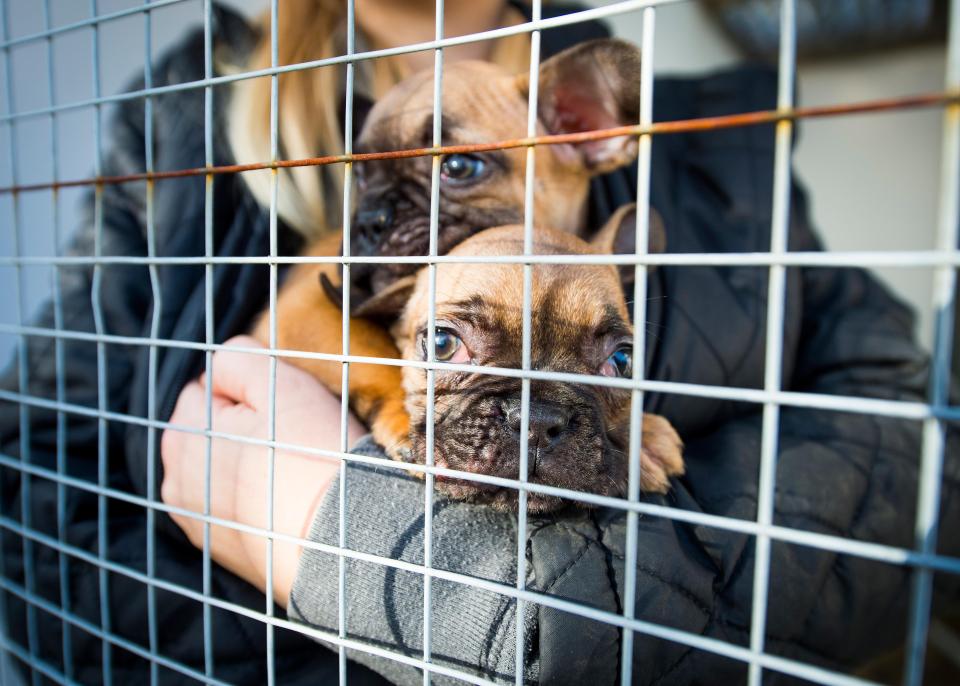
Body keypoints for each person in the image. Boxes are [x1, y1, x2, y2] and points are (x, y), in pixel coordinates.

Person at [1, 1, 957, 684]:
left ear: (590, 129)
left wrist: (359, 554)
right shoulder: (181, 124)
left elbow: (911, 442)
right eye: (366, 189)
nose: (387, 221)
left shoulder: (721, 150)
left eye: (458, 171)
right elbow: (41, 485)